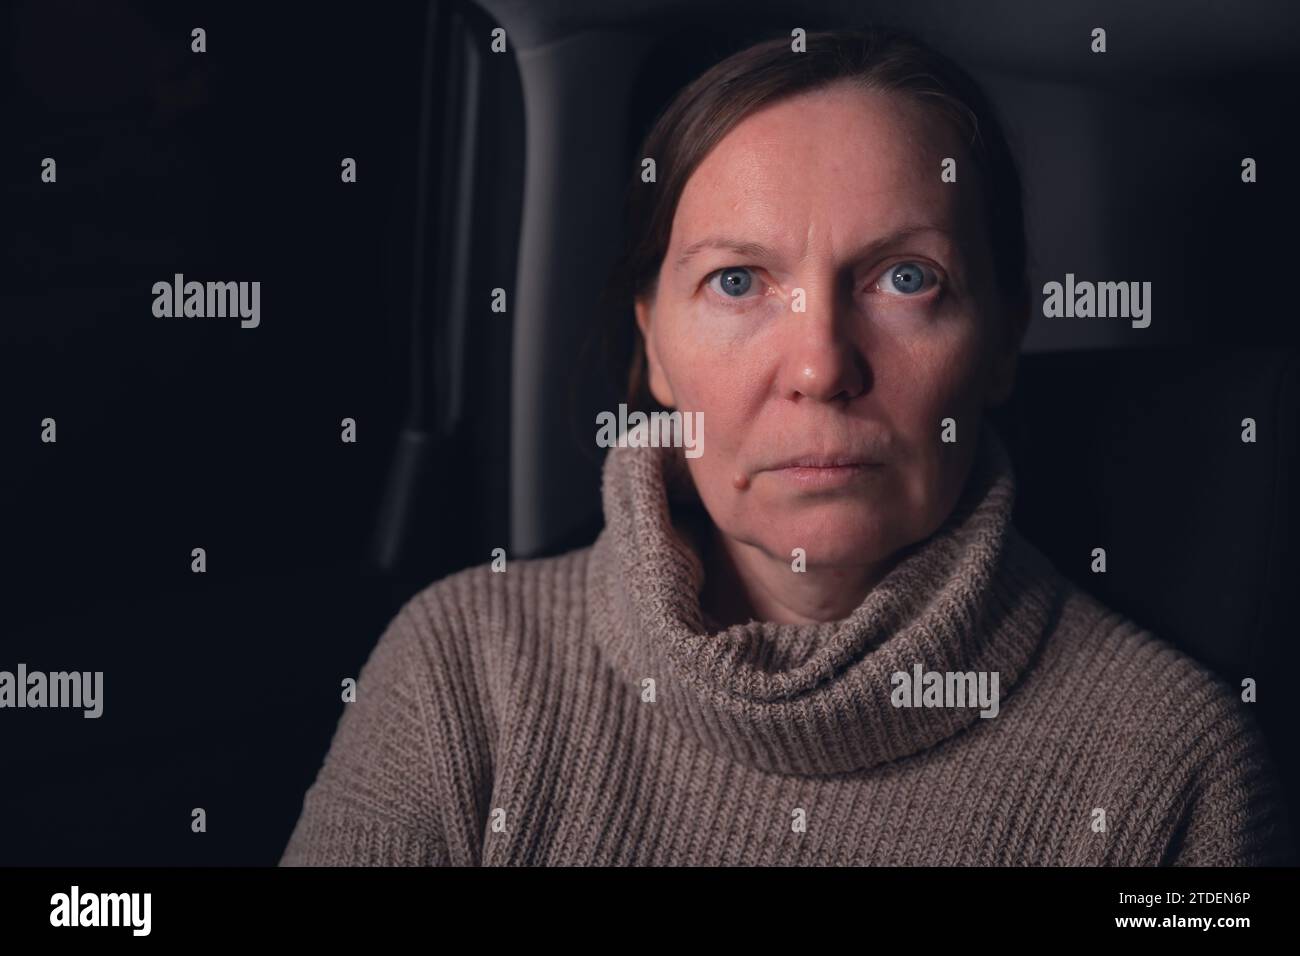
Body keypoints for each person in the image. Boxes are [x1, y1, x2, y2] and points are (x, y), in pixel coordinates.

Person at [280, 27, 1291, 866]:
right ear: (654, 351)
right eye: (736, 281)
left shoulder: (1171, 766)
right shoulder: (462, 670)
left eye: (905, 277)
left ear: (1000, 339)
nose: (819, 365)